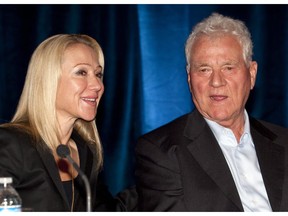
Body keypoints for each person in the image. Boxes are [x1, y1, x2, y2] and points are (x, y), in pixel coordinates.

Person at [135, 13, 288, 212]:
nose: (216, 81)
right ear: (189, 80)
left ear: (251, 74)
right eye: (204, 69)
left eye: (228, 67)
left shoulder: (284, 141)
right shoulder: (161, 151)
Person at [0, 34, 116, 211]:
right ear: (49, 80)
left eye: (98, 74)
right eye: (82, 72)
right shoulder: (9, 145)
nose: (97, 85)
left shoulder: (85, 152)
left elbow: (110, 210)